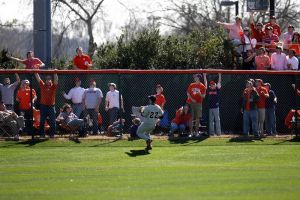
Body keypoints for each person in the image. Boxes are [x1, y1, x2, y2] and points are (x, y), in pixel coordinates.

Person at [34, 71, 58, 138]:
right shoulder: (42, 85)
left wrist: (55, 73)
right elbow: (38, 78)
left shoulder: (53, 86)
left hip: (51, 106)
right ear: (45, 80)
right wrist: (35, 71)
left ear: (51, 80)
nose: (48, 80)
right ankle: (42, 134)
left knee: (53, 121)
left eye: (49, 79)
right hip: (43, 106)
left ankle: (52, 134)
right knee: (42, 121)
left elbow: (56, 80)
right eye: (47, 79)